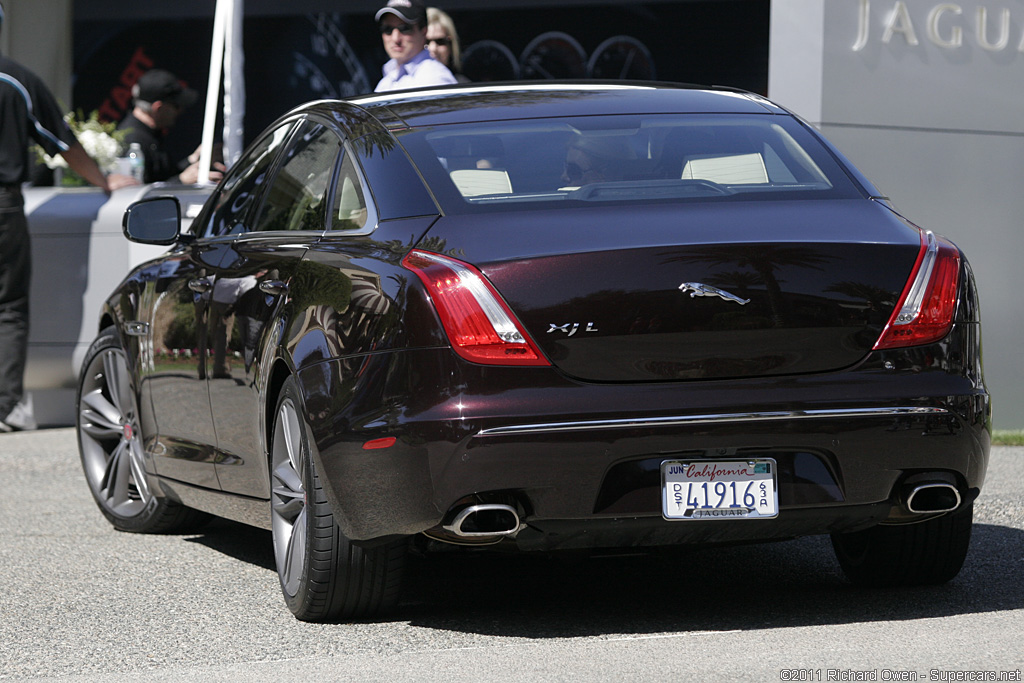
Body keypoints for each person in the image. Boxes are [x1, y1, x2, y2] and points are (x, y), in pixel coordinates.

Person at [0, 1, 137, 431]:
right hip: (3, 206)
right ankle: (2, 409)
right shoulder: (16, 79)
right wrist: (103, 180)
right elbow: (63, 144)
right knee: (8, 308)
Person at [117, 68, 225, 184]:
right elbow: (135, 192)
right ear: (158, 108)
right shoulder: (132, 142)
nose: (181, 111)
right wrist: (181, 181)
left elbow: (163, 176)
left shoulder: (151, 133)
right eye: (177, 106)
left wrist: (193, 160)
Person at [374, 0, 457, 92]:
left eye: (405, 29)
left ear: (424, 32)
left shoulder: (434, 78)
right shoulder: (387, 79)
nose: (395, 38)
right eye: (387, 29)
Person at [426, 7, 469, 83]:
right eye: (426, 42)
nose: (433, 48)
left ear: (451, 46)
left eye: (440, 41)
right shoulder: (402, 84)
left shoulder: (462, 88)